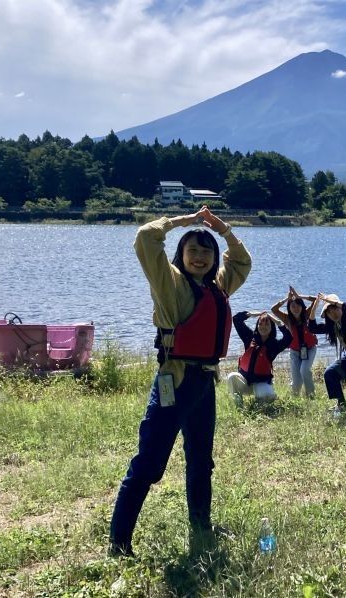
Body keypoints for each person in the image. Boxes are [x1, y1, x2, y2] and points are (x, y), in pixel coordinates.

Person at [109, 206, 251, 557]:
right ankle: (119, 543)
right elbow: (145, 238)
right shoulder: (169, 282)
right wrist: (182, 222)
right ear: (181, 255)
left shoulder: (219, 286)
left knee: (201, 460)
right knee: (150, 463)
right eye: (193, 251)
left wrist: (224, 230)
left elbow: (242, 262)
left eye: (207, 252)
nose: (200, 257)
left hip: (204, 383)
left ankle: (201, 524)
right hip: (175, 380)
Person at [226, 311, 292, 407]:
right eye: (260, 323)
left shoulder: (274, 345)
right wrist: (253, 314)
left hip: (261, 382)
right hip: (246, 382)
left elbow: (289, 338)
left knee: (265, 401)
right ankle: (239, 406)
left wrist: (277, 321)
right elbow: (236, 319)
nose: (263, 327)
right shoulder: (249, 337)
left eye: (267, 324)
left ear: (271, 328)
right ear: (257, 325)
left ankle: (268, 395)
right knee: (231, 376)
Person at [271, 287, 320, 397]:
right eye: (292, 306)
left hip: (310, 349)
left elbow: (316, 300)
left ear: (302, 306)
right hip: (294, 352)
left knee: (304, 370)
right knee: (297, 383)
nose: (296, 308)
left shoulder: (307, 314)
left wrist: (299, 296)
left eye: (298, 305)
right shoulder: (286, 318)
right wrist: (286, 299)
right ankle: (294, 398)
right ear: (289, 308)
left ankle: (311, 395)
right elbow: (273, 309)